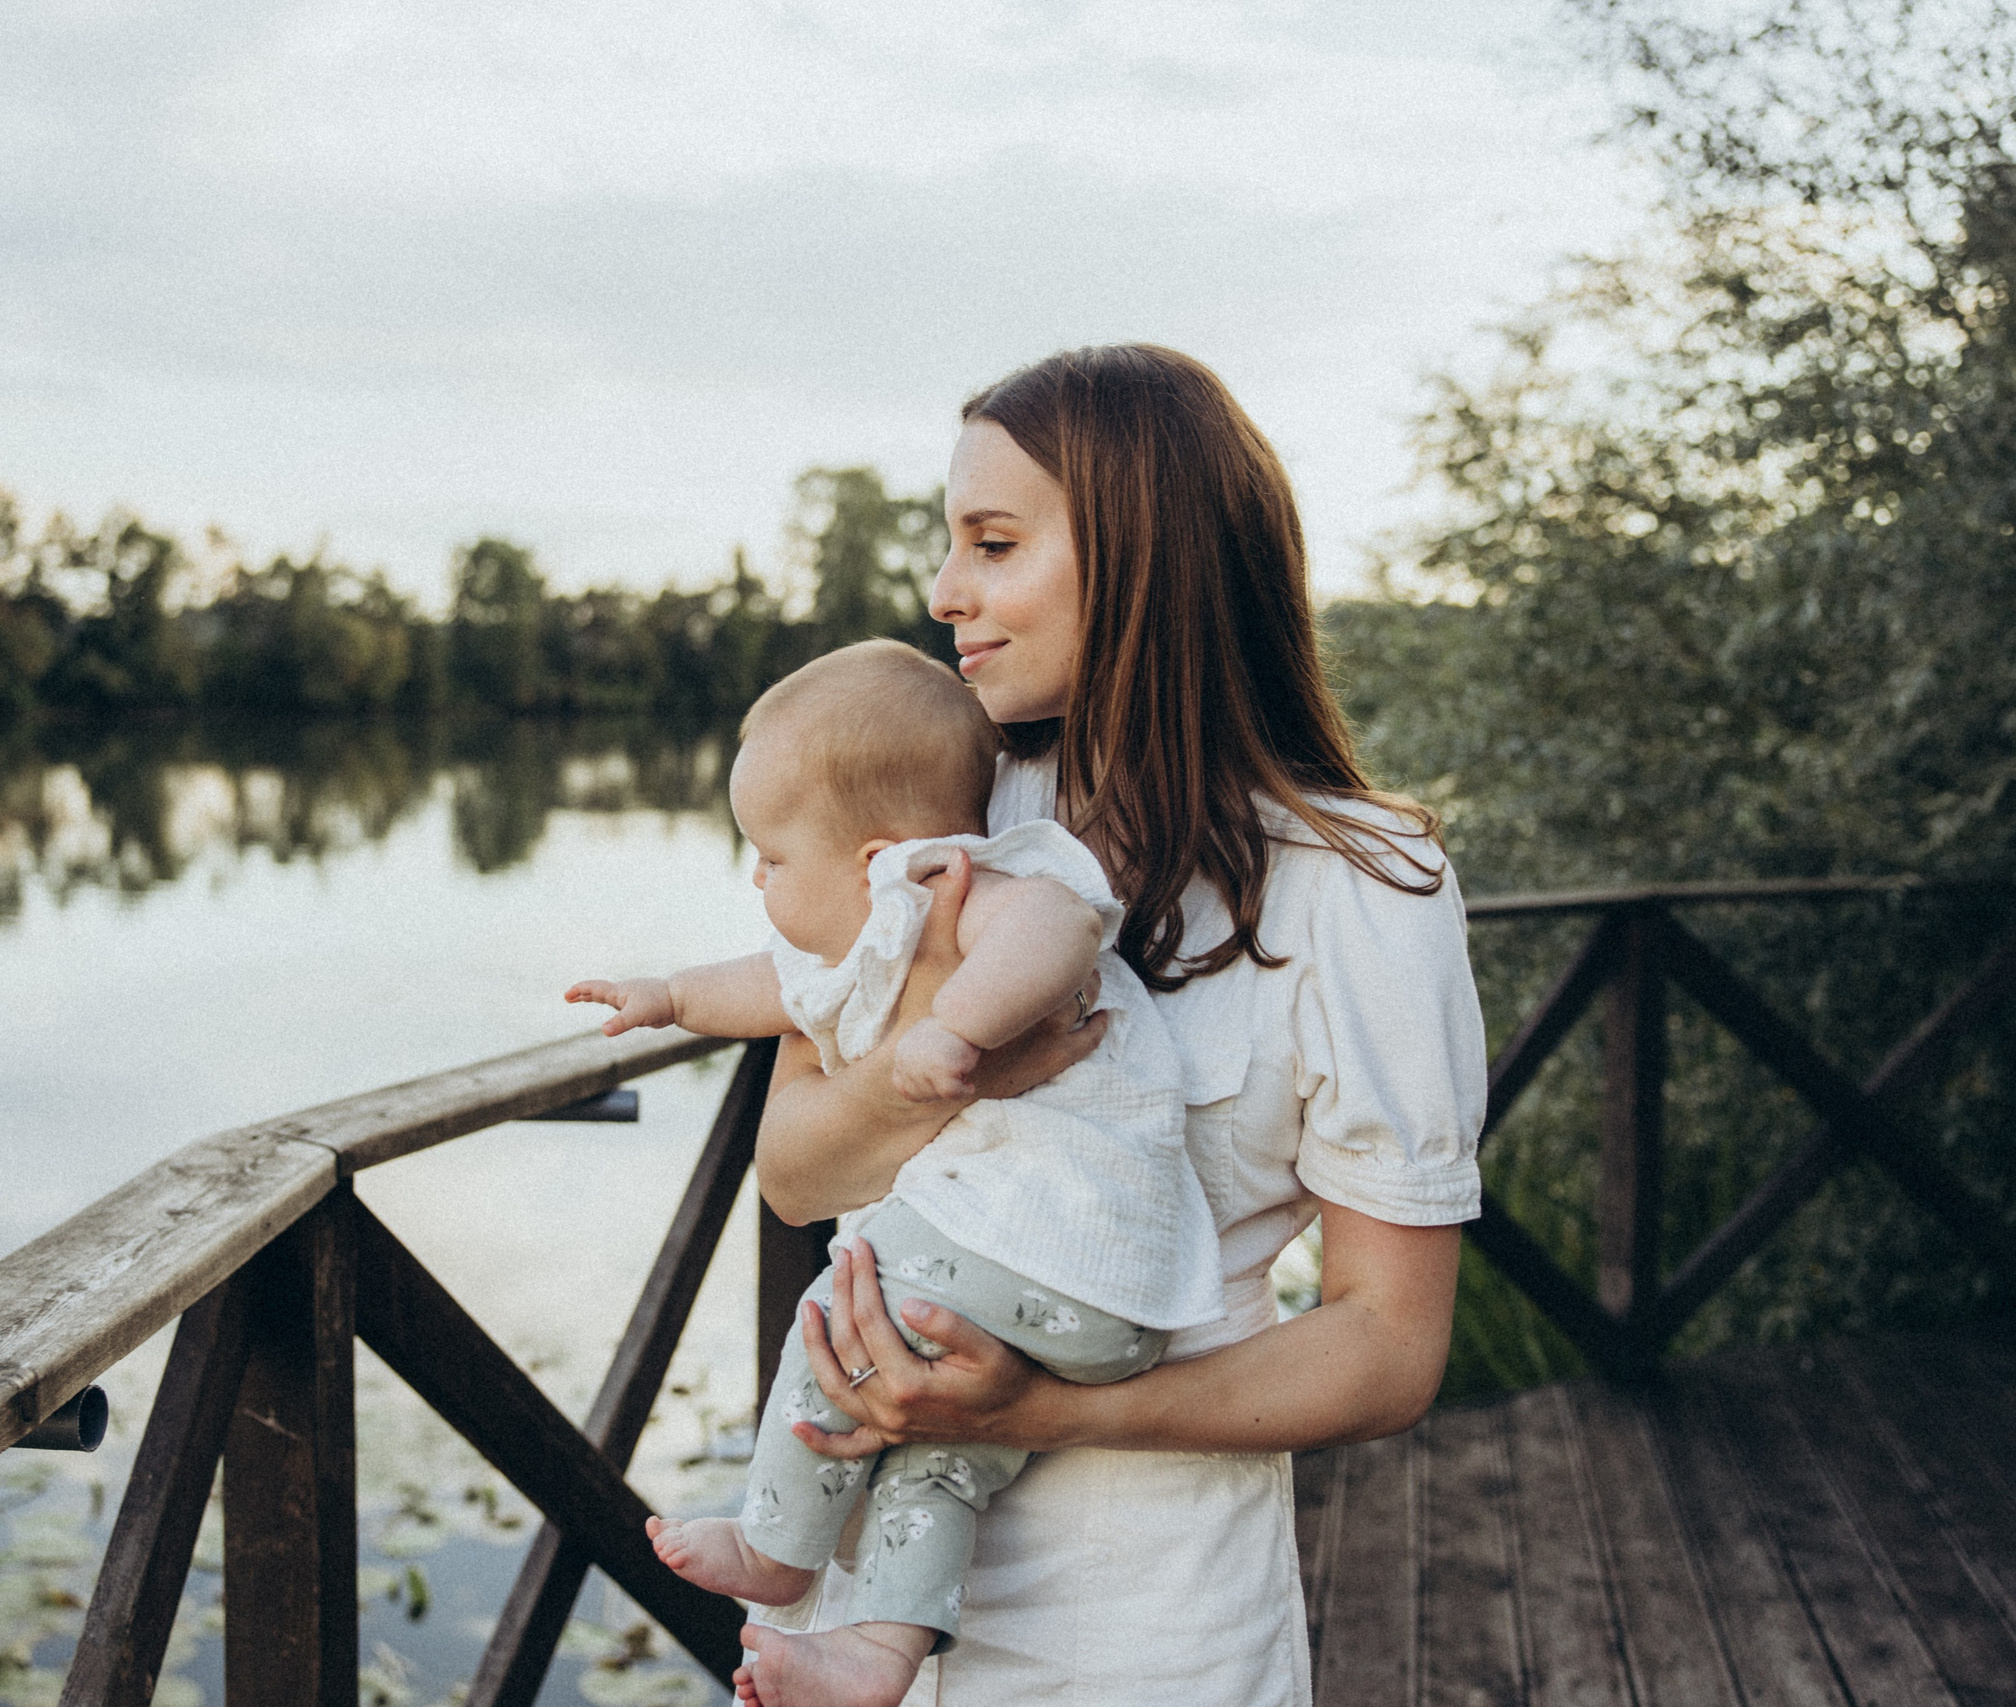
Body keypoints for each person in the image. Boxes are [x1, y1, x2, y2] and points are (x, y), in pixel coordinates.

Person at [738, 344, 1487, 1707]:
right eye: (950, 541)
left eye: (996, 542)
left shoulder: (1365, 884)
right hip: (858, 1606)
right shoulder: (944, 816)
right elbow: (794, 1168)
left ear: (1149, 556)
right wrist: (953, 1064)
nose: (943, 590)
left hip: (1149, 1629)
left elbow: (1388, 1341)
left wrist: (1045, 1410)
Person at [566, 637, 1223, 1706]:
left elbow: (1054, 930)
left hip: (1056, 1244)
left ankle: (782, 1550)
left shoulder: (957, 881)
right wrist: (667, 995)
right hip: (1067, 1304)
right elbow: (762, 984)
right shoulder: (861, 941)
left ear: (875, 854)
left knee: (844, 1298)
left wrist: (951, 1035)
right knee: (937, 1456)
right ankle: (878, 1652)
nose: (756, 877)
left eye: (772, 857)